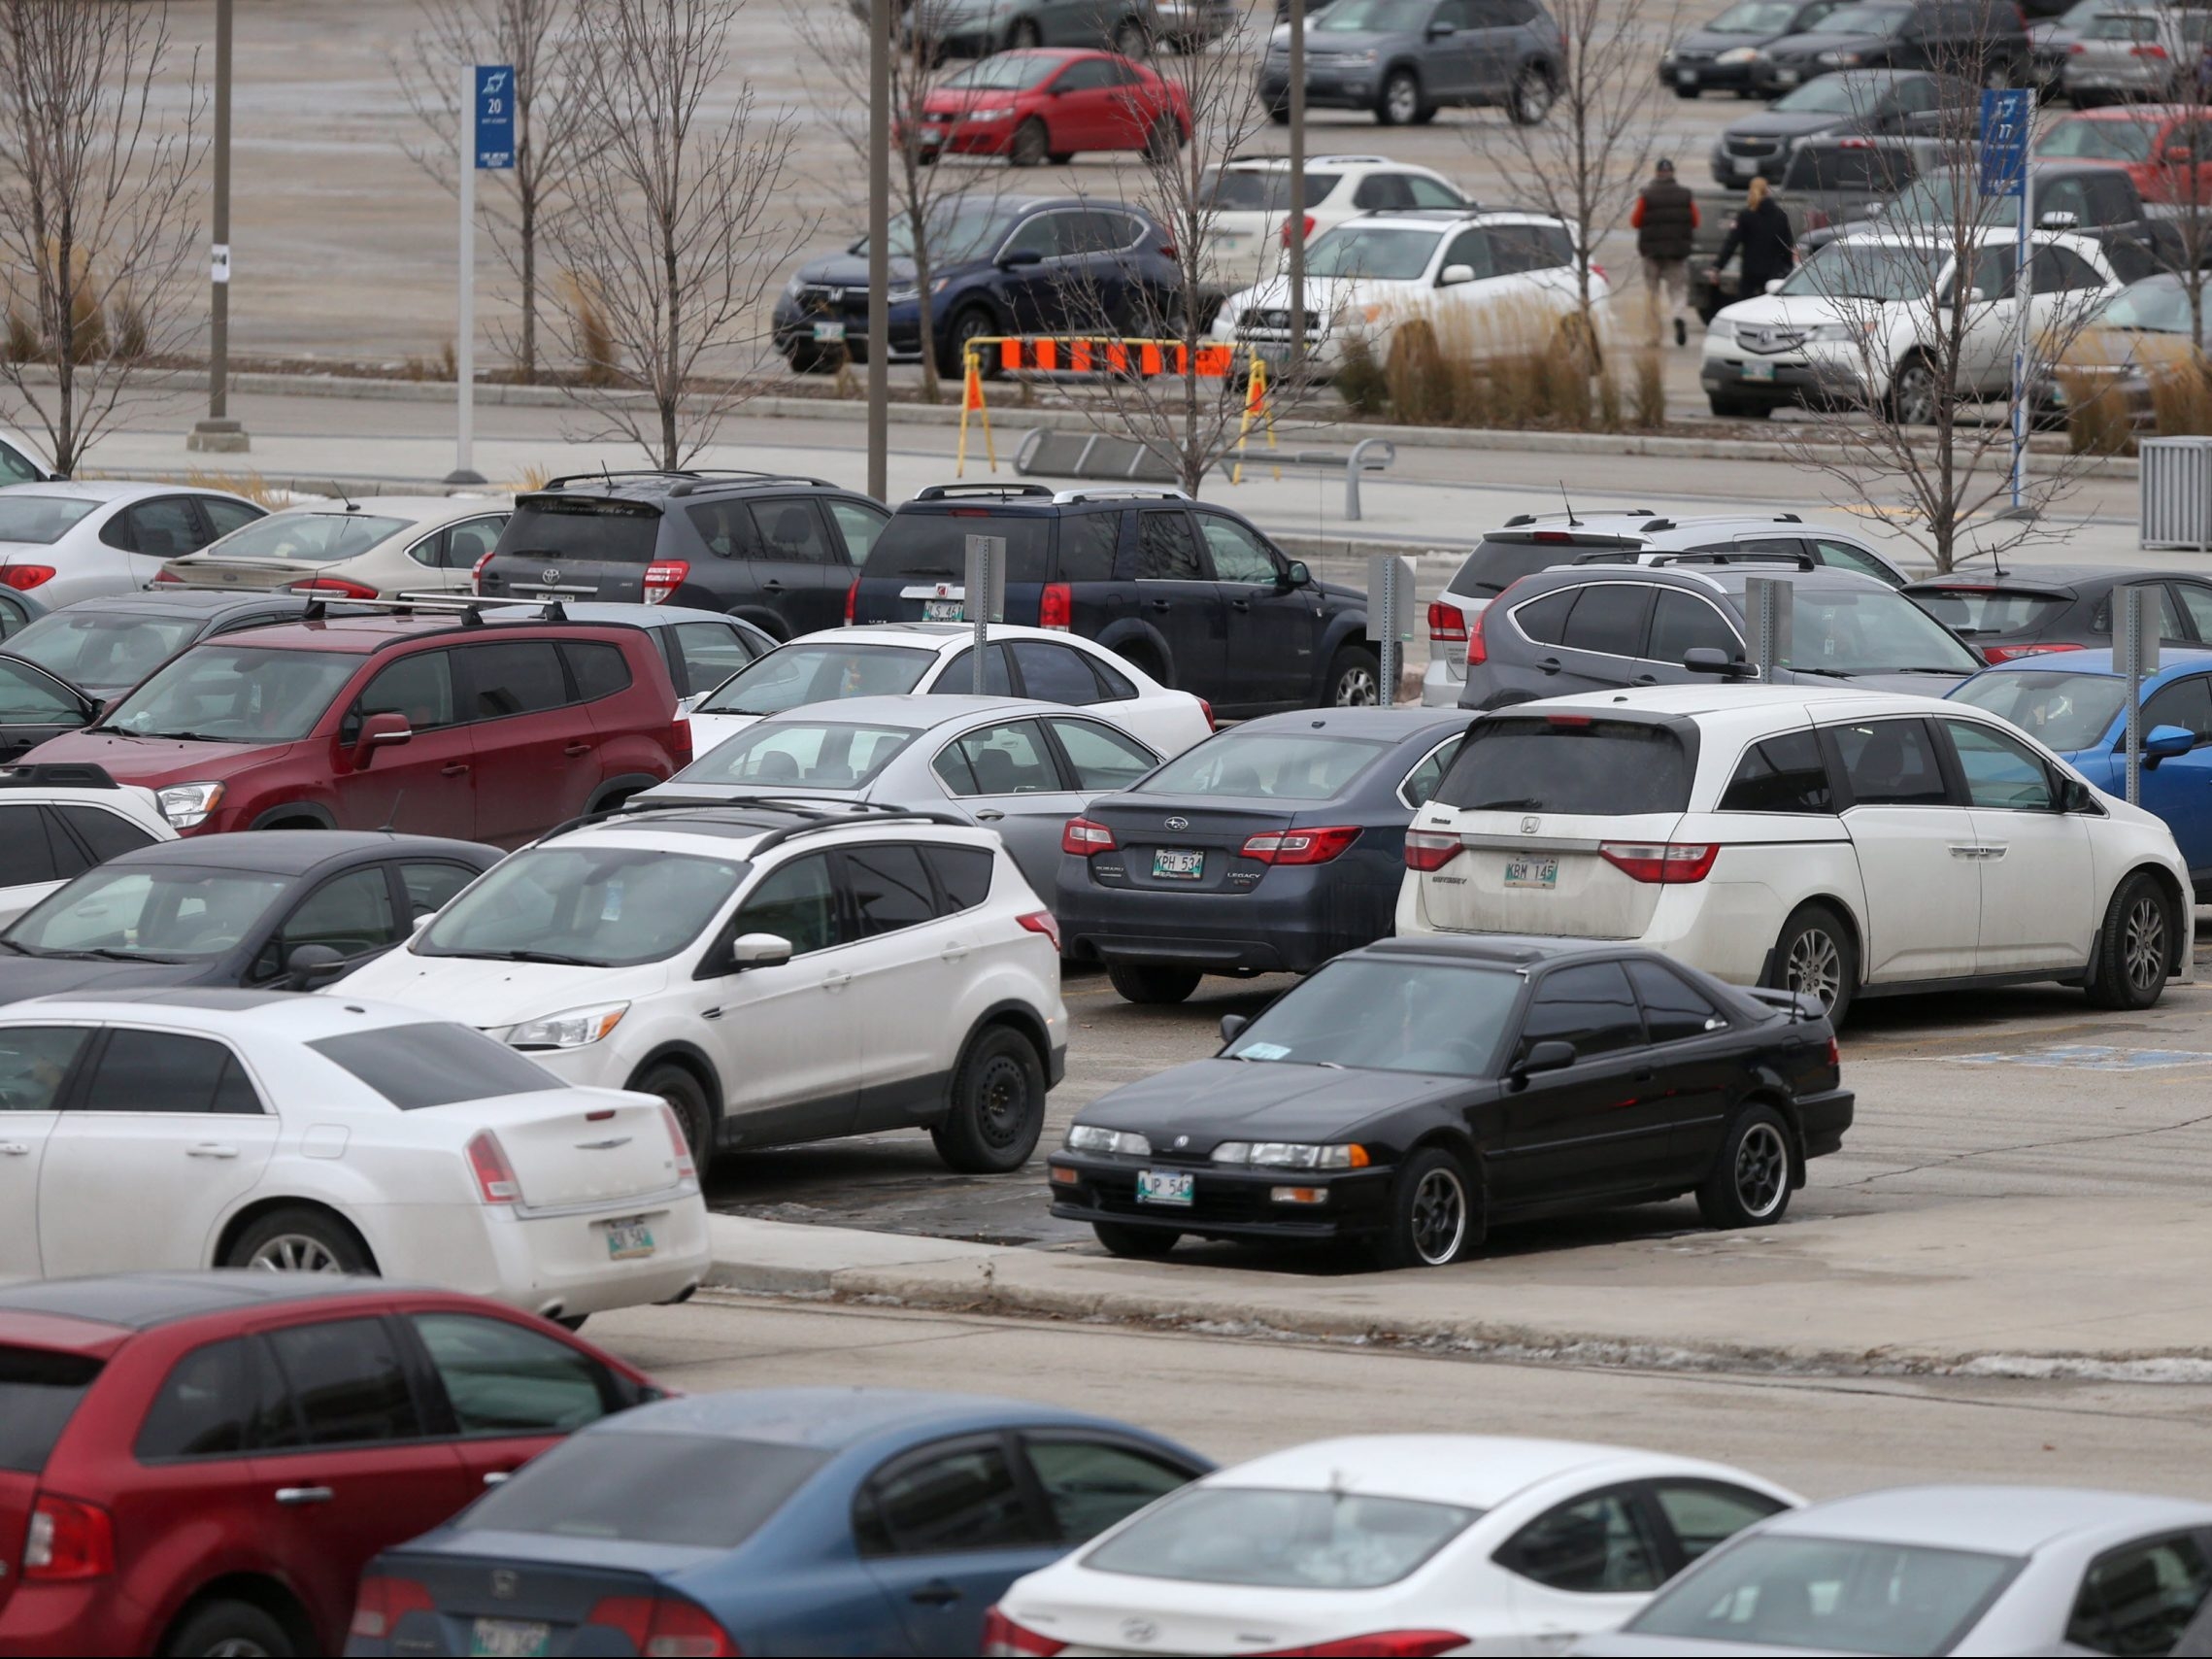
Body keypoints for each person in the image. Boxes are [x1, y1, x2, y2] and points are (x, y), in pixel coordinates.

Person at [1631, 157, 1699, 347]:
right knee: (1678, 290)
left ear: (1657, 173)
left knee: (1652, 294)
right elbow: (1695, 221)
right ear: (1672, 173)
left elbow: (1635, 221)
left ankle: (1654, 335)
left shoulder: (1646, 195)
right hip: (1677, 254)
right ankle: (1678, 316)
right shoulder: (1685, 195)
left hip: (1651, 254)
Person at [1718, 176, 1796, 309]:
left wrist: (1718, 266)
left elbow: (1731, 243)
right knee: (1771, 307)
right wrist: (1790, 266)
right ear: (1768, 191)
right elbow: (1786, 245)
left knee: (1745, 305)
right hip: (1773, 270)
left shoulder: (1746, 215)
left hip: (1750, 270)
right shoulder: (1780, 215)